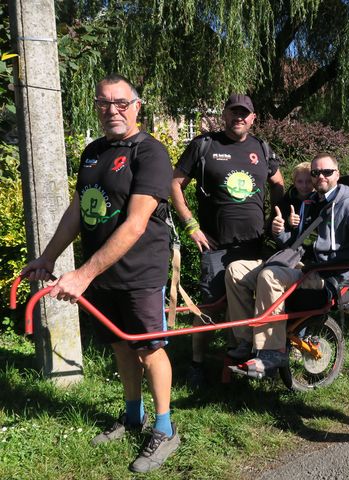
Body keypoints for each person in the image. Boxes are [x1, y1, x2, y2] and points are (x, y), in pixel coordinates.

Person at [20, 74, 179, 473]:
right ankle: (132, 416)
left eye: (121, 103)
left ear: (137, 106)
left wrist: (82, 274)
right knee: (119, 347)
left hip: (140, 271)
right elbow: (78, 210)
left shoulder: (151, 153)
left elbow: (137, 223)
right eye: (105, 103)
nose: (113, 110)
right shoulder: (93, 152)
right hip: (101, 272)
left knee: (149, 348)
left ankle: (165, 428)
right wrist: (48, 258)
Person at [225, 153, 349, 377]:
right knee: (235, 270)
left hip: (326, 276)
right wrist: (279, 233)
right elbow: (295, 244)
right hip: (300, 264)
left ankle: (272, 351)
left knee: (270, 276)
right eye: (315, 172)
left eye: (327, 172)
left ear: (337, 174)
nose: (320, 176)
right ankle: (244, 340)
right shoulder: (312, 203)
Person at [171, 94, 284, 387]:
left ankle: (242, 359)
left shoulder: (261, 148)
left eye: (245, 113)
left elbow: (278, 183)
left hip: (254, 245)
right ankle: (197, 363)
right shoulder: (205, 145)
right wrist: (191, 225)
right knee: (209, 307)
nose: (239, 117)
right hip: (215, 246)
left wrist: (279, 219)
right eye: (234, 112)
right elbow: (174, 184)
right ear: (224, 115)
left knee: (249, 303)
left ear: (253, 118)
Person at [272, 161, 314, 236]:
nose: (304, 186)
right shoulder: (285, 202)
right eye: (300, 181)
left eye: (309, 181)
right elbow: (277, 228)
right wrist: (288, 222)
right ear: (294, 183)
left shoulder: (320, 200)